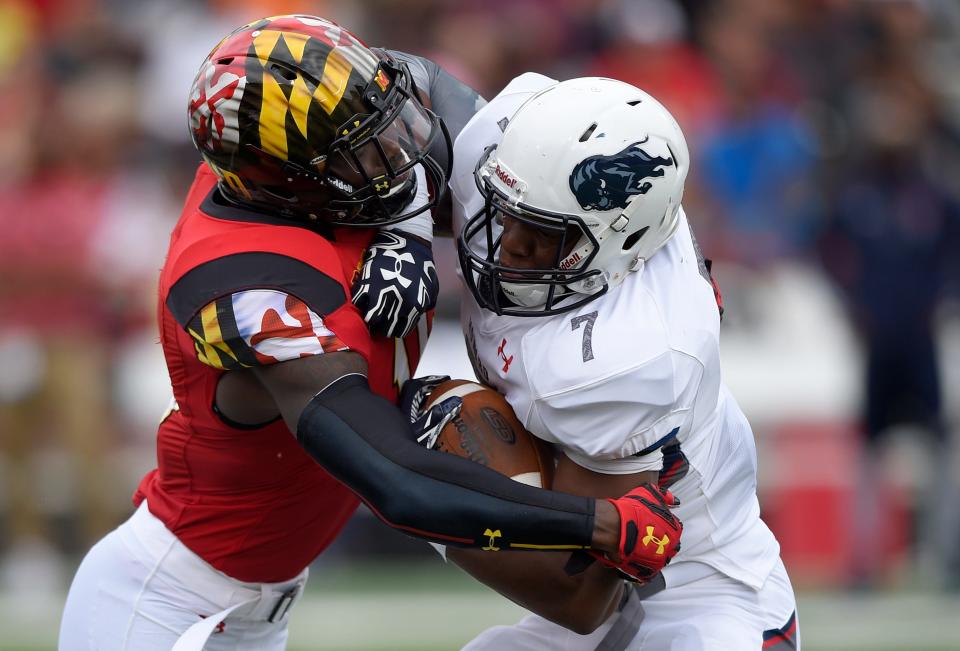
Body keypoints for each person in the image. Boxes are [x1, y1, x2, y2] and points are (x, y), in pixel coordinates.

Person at [57, 16, 682, 651]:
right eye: (363, 149)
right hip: (166, 606)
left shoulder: (283, 147)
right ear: (293, 184)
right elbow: (394, 479)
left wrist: (406, 222)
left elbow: (425, 93)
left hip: (256, 600)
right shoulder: (245, 287)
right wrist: (600, 523)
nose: (399, 148)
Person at [437, 74, 800, 648]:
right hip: (604, 584)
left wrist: (422, 488)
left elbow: (579, 594)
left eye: (541, 233)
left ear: (617, 240)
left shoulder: (628, 354)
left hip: (698, 589)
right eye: (508, 214)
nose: (508, 245)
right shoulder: (529, 162)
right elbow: (422, 92)